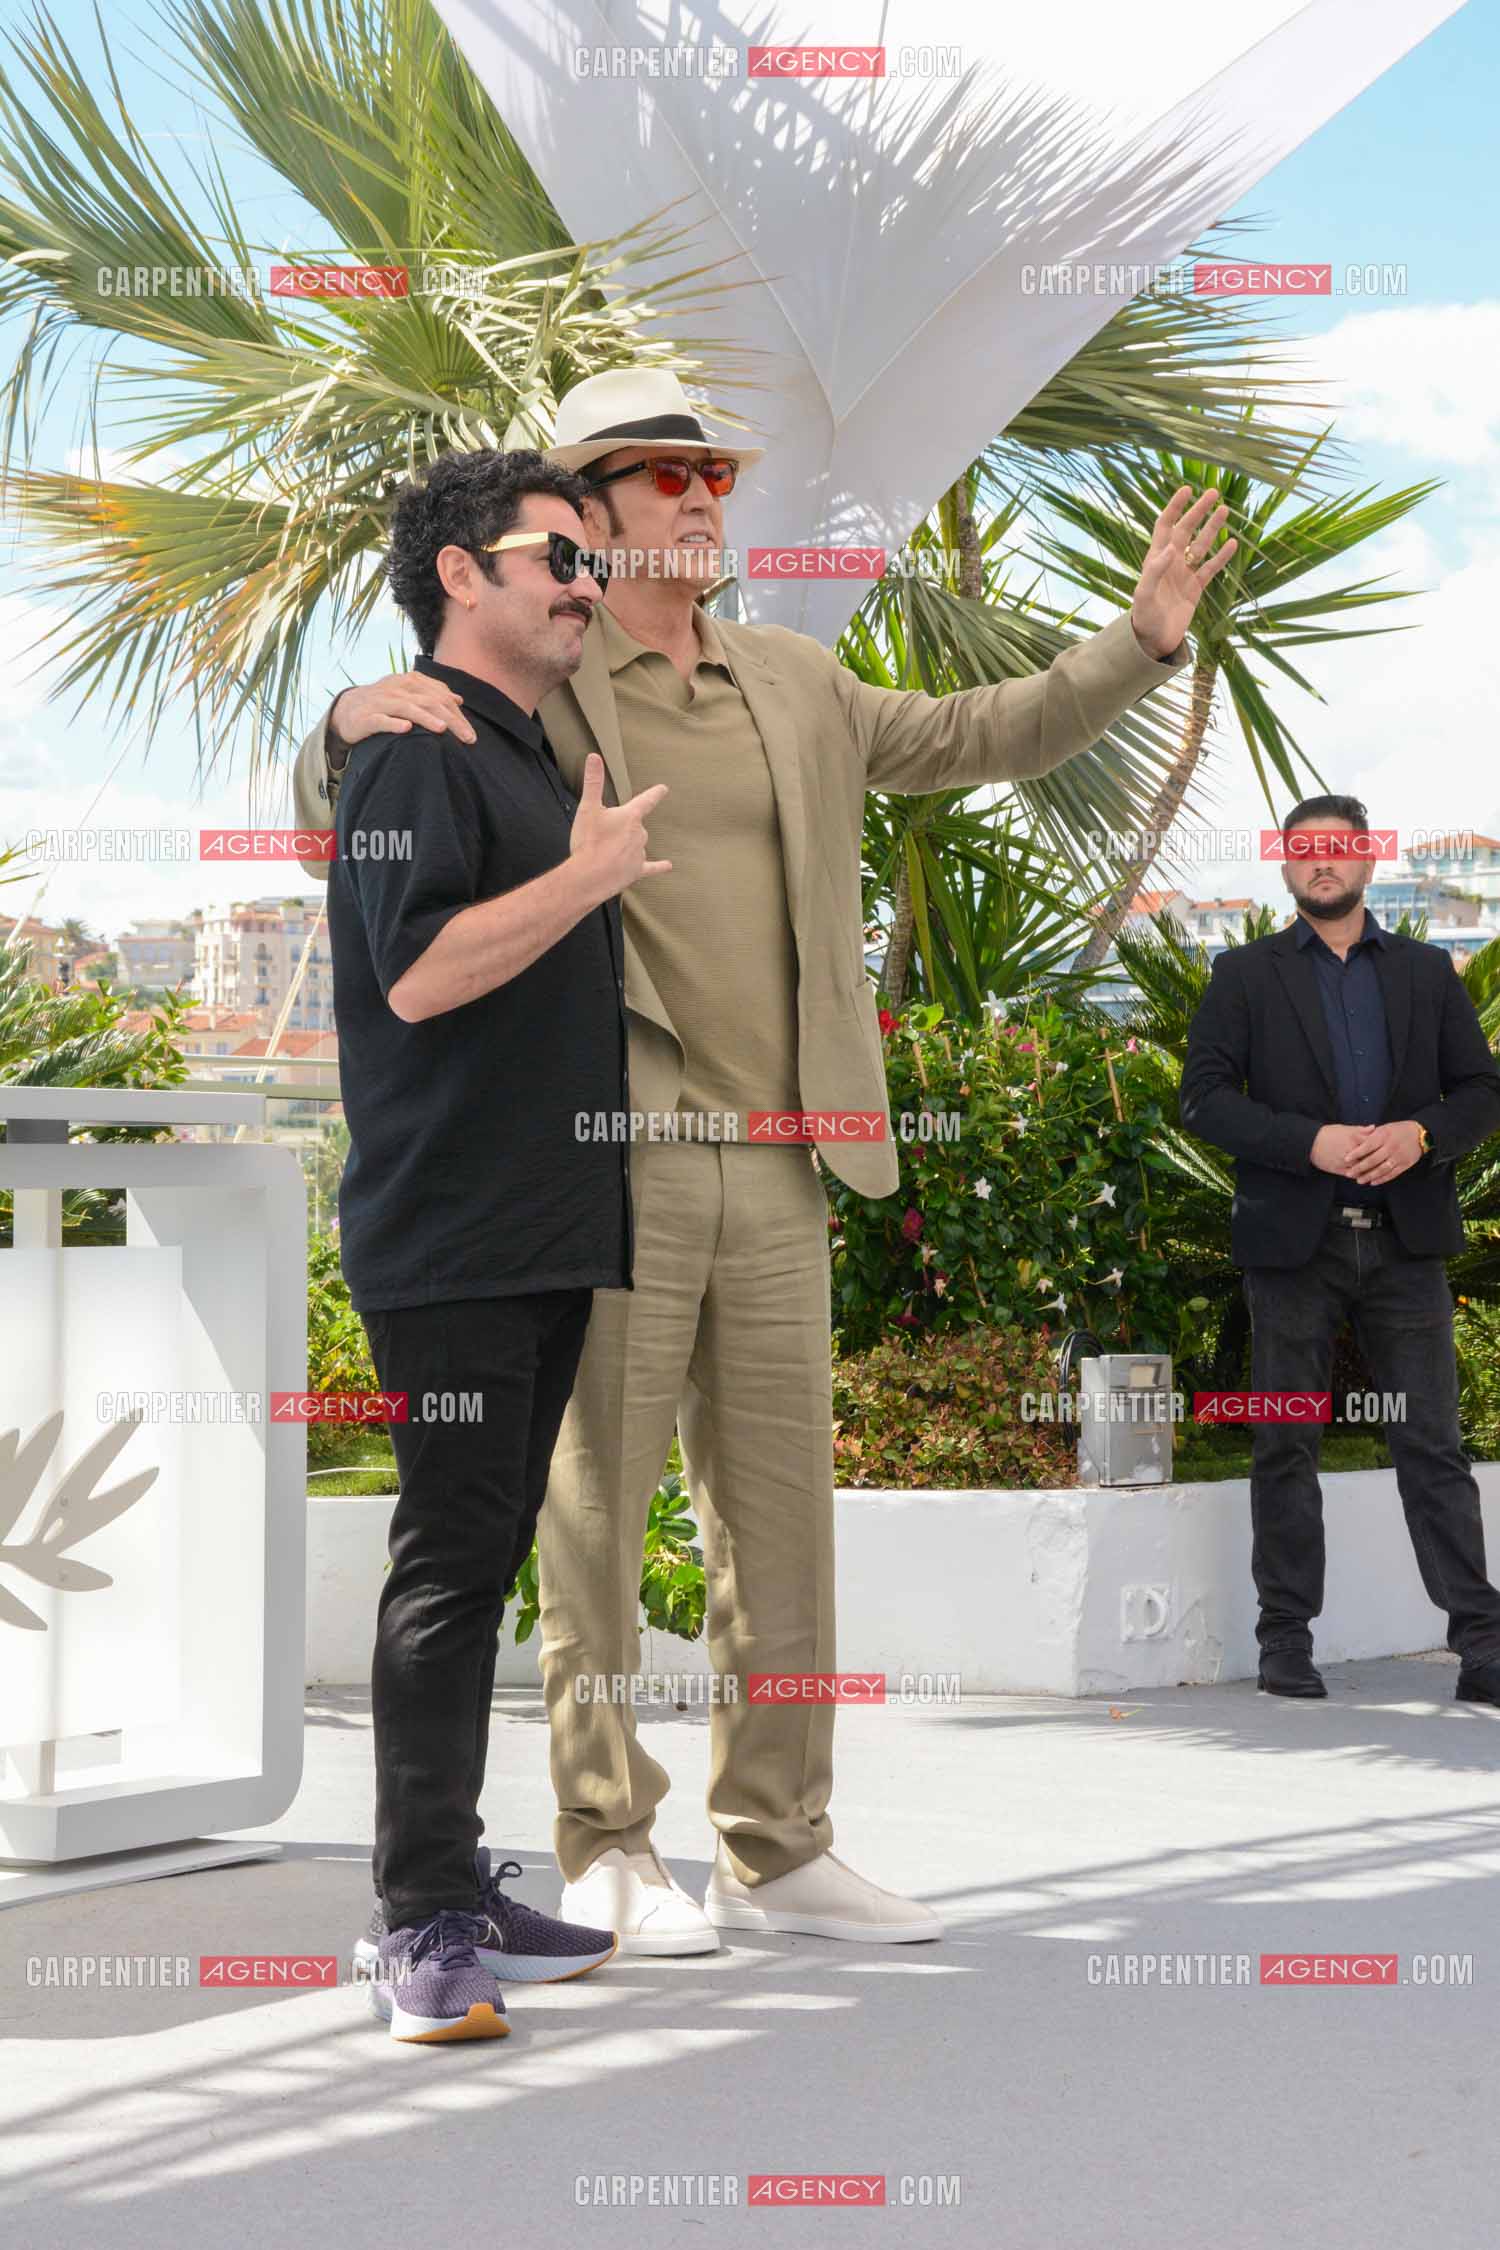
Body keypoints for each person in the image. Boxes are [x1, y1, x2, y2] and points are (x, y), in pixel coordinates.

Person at [298, 366, 1226, 1952]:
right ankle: (603, 1838)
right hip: (612, 1155)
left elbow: (981, 729)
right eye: (667, 475)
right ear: (584, 520)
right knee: (590, 1525)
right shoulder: (553, 672)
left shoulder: (795, 678)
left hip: (790, 1160)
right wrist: (333, 715)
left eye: (716, 473)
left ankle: (783, 1844)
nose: (706, 497)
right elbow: (379, 779)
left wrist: (1137, 643)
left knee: (782, 1524)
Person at [330, 446, 672, 2039]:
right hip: (452, 1236)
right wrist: (593, 878)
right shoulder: (415, 750)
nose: (585, 582)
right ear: (461, 573)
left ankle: (459, 1883)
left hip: (542, 1233)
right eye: (559, 554)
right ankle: (416, 1925)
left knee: (479, 1563)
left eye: (593, 562)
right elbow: (413, 977)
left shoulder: (532, 754)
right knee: (450, 1569)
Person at [1180, 793, 1500, 1702]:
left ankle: (1483, 1646)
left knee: (1431, 1443)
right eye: (1304, 850)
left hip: (1407, 1245)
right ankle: (1286, 1640)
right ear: (1285, 867)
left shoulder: (1428, 972)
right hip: (1293, 1247)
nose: (1322, 863)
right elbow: (1202, 1098)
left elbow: (1483, 1090)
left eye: (1338, 849)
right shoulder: (1241, 974)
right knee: (1287, 1441)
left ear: (1367, 861)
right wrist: (1305, 1141)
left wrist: (1421, 1136)